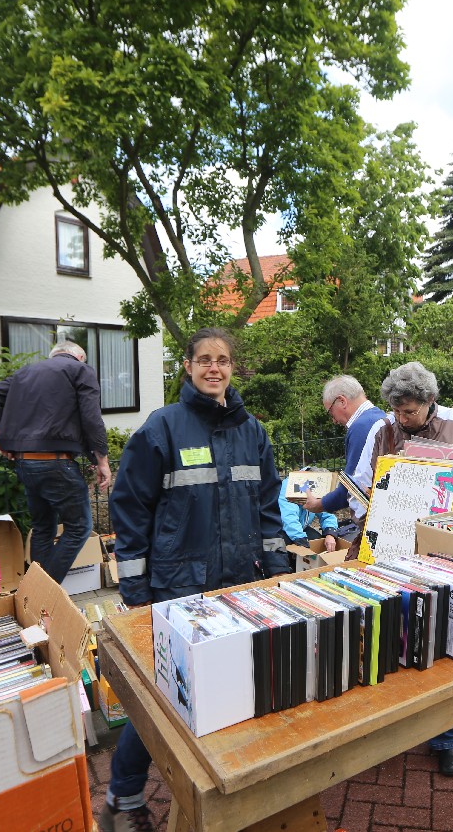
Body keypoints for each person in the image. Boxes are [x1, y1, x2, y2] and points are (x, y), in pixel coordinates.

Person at [103, 328, 289, 832]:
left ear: (232, 368)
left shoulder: (252, 432)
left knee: (235, 685)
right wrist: (136, 592)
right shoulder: (162, 428)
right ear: (187, 366)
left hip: (241, 585)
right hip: (179, 587)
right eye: (204, 359)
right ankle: (123, 796)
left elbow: (268, 510)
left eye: (222, 360)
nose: (214, 368)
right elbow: (130, 511)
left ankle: (227, 785)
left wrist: (277, 578)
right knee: (165, 697)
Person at [350, 360, 453, 777]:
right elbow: (360, 484)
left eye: (410, 412)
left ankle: (448, 738)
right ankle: (390, 723)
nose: (402, 419)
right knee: (386, 634)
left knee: (442, 637)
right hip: (387, 548)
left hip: (439, 553)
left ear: (430, 401)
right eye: (397, 411)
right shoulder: (382, 429)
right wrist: (373, 514)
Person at [0, 341, 112, 585]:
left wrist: (0, 435)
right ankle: (42, 590)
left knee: (43, 528)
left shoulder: (25, 374)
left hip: (25, 463)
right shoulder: (80, 370)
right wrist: (102, 460)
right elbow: (92, 418)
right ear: (79, 356)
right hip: (56, 463)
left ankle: (36, 592)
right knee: (79, 528)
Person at [302, 375, 387, 527]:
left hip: (373, 519)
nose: (334, 420)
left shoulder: (361, 427)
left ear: (342, 401)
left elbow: (352, 486)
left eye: (330, 412)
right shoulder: (381, 416)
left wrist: (319, 504)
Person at [279, 477, 338, 552]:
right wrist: (302, 540)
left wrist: (330, 533)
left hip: (302, 527)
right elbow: (289, 517)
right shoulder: (289, 486)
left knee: (320, 543)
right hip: (282, 529)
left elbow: (326, 512)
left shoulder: (318, 485)